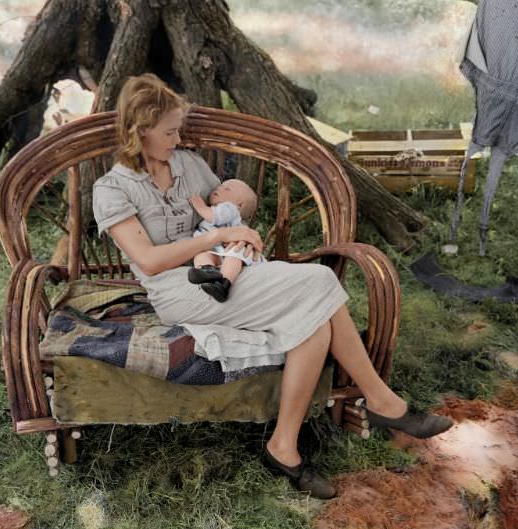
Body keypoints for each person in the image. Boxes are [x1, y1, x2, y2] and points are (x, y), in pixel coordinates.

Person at [92, 73, 453, 499]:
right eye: (170, 131)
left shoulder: (187, 164)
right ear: (141, 131)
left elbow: (226, 208)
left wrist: (242, 233)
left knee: (316, 323)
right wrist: (214, 239)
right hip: (180, 289)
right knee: (319, 281)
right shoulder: (112, 190)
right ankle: (381, 402)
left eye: (179, 129)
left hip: (228, 271)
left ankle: (285, 446)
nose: (177, 138)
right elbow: (149, 261)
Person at [187, 178, 266, 302]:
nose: (219, 188)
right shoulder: (216, 208)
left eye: (227, 189)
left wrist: (200, 206)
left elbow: (215, 217)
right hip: (217, 250)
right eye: (221, 186)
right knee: (202, 254)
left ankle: (224, 284)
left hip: (233, 247)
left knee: (234, 255)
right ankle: (207, 270)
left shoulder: (230, 209)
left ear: (240, 205)